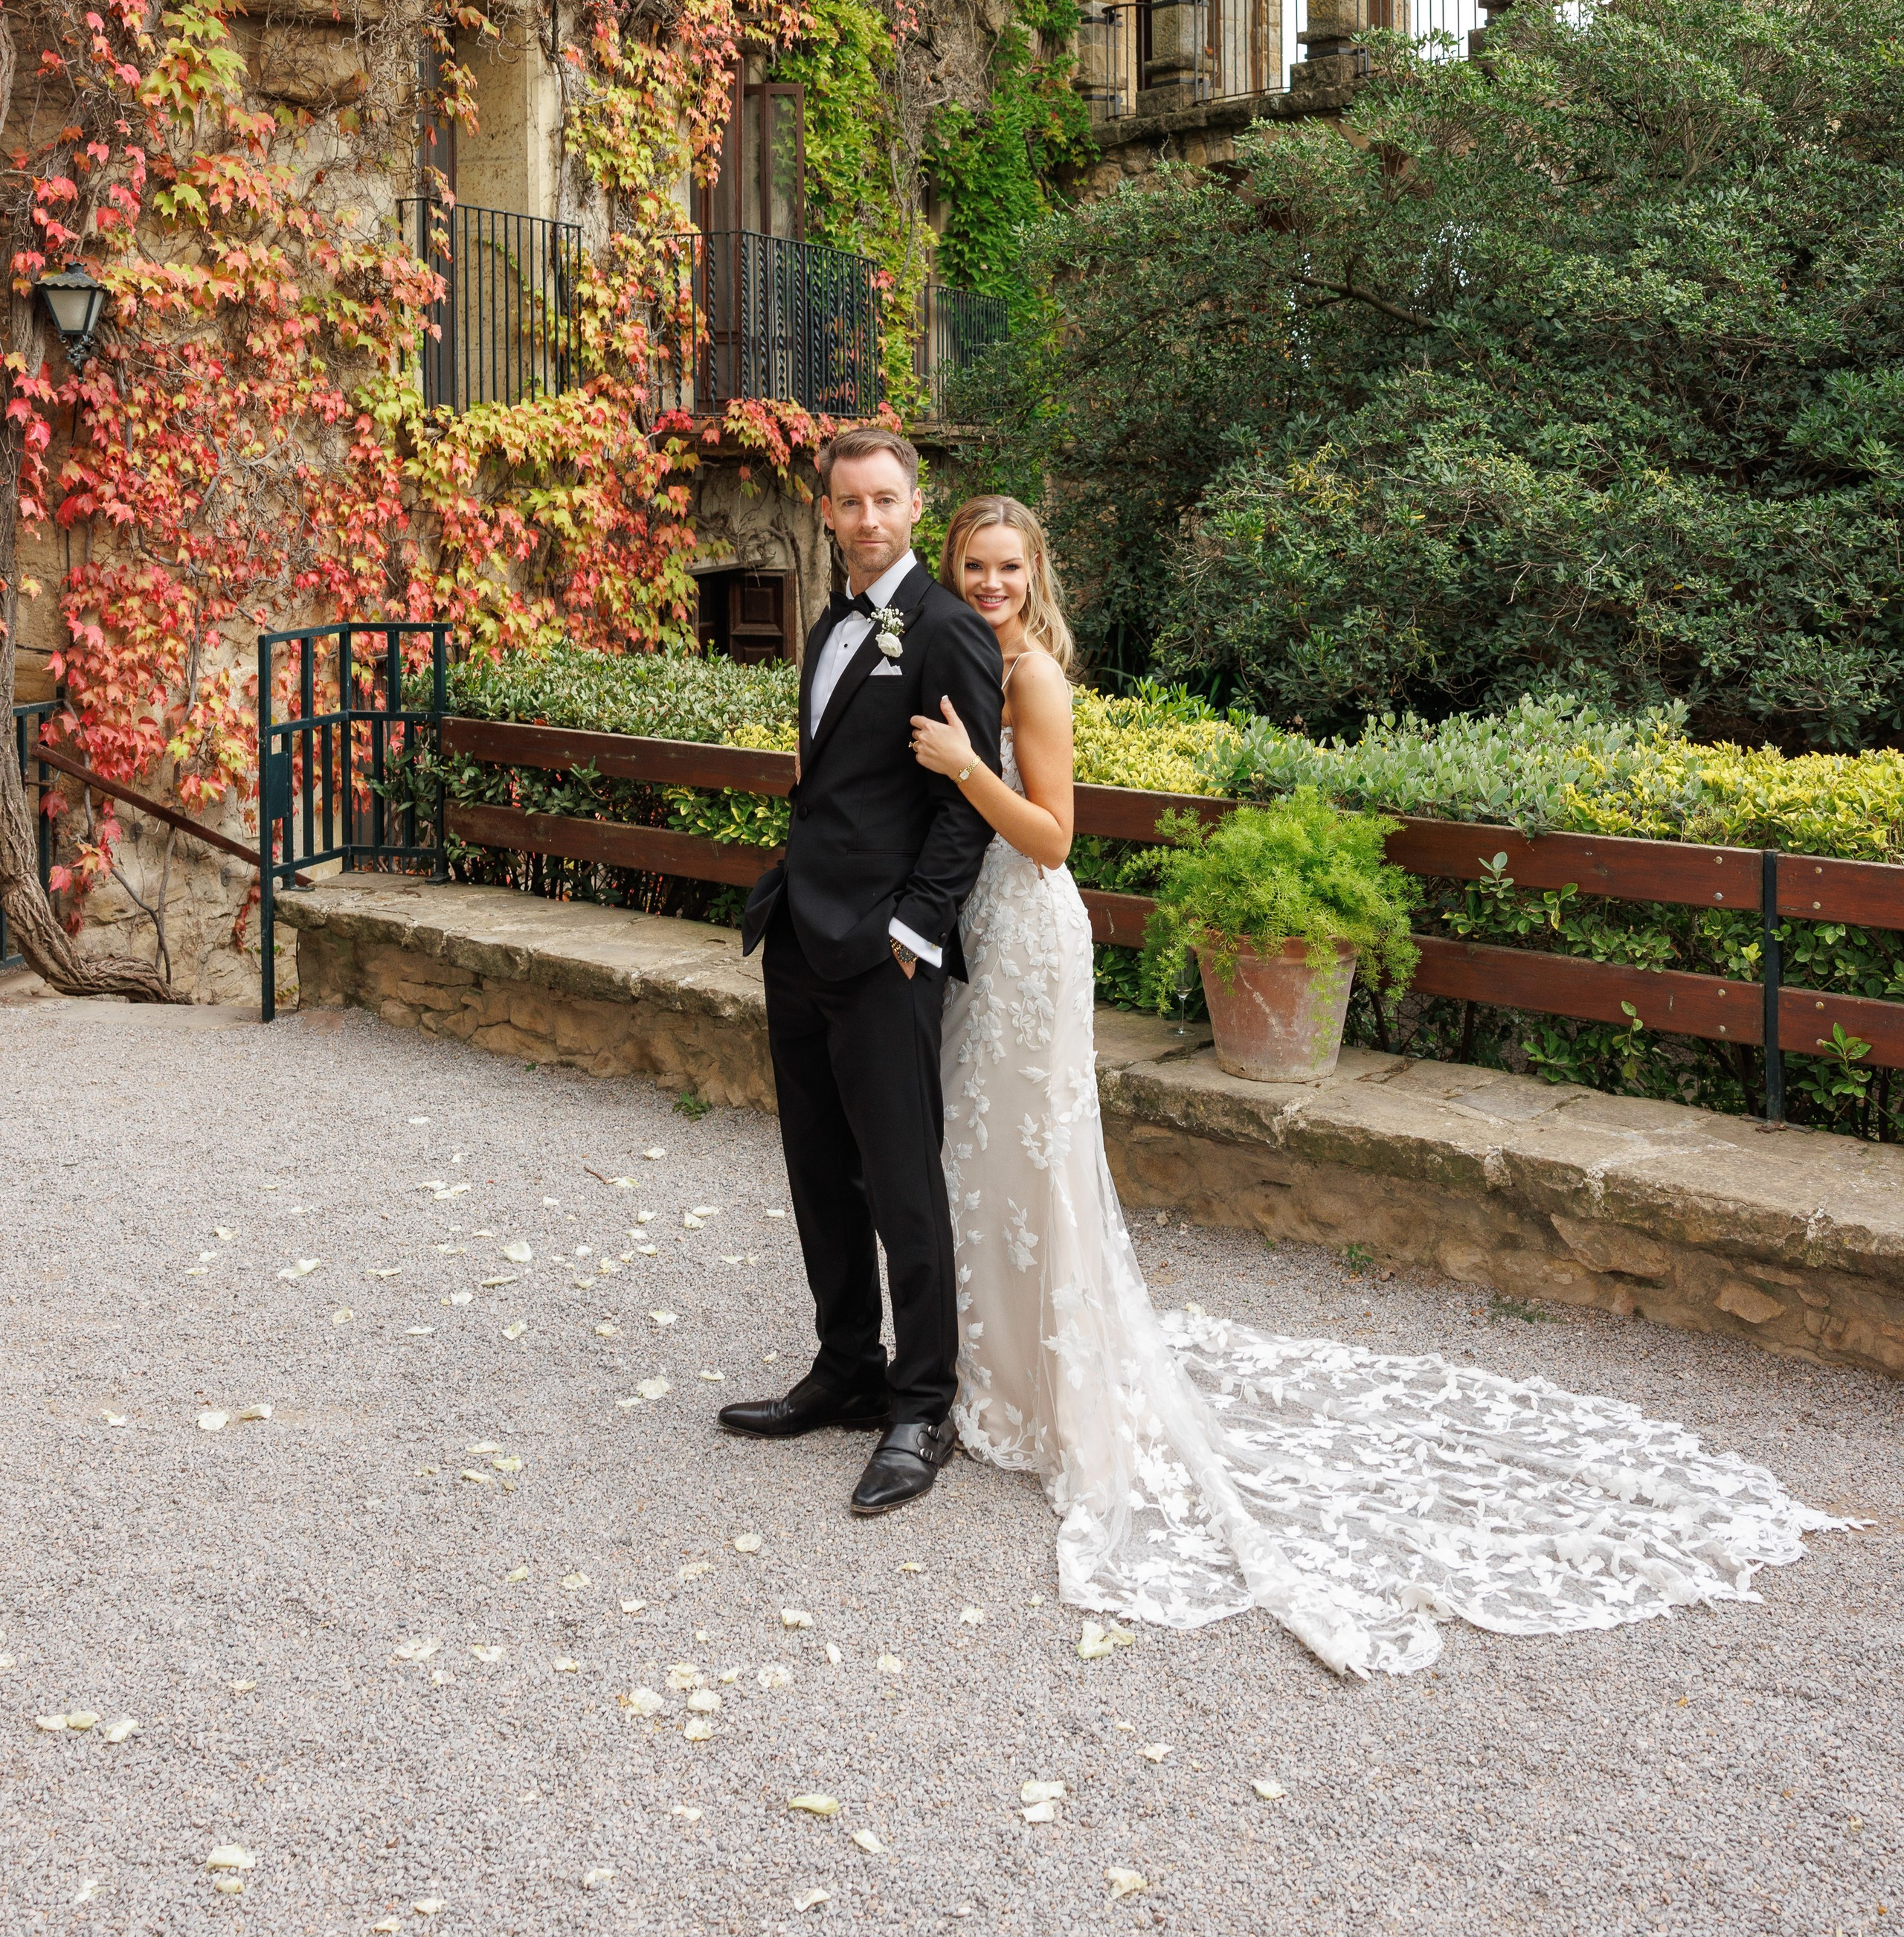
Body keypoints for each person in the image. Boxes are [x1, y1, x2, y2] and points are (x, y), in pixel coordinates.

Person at [908, 493, 1836, 1677]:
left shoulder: (1031, 675)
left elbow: (1054, 835)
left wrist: (958, 767)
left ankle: (1054, 1397)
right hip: (977, 937)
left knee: (1033, 1155)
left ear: (1037, 575)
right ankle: (995, 1373)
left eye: (1007, 567)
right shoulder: (955, 657)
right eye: (973, 566)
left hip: (1033, 933)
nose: (989, 584)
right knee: (981, 1158)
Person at [724, 427, 1003, 1518]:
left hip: (887, 952)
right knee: (816, 1166)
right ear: (828, 510)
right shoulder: (829, 618)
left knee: (902, 1182)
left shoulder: (945, 630)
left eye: (887, 498)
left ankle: (921, 1401)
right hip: (799, 936)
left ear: (915, 505)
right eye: (851, 501)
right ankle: (847, 1365)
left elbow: (962, 808)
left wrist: (916, 932)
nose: (869, 517)